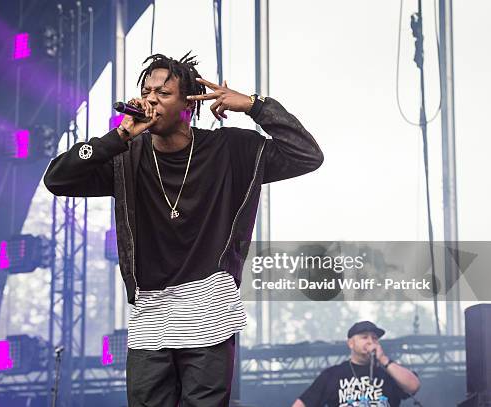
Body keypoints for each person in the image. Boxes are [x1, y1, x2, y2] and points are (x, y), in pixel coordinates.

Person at [44, 52, 323, 407]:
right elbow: (57, 178)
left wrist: (254, 105)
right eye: (147, 91)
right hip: (151, 313)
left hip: (209, 307)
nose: (150, 100)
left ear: (188, 104)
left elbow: (307, 155)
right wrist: (118, 136)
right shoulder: (125, 156)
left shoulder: (229, 149)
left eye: (163, 93)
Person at [292, 321, 421, 407]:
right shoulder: (332, 375)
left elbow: (414, 386)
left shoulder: (390, 372)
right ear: (351, 344)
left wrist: (383, 359)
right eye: (364, 337)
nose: (371, 341)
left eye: (374, 338)